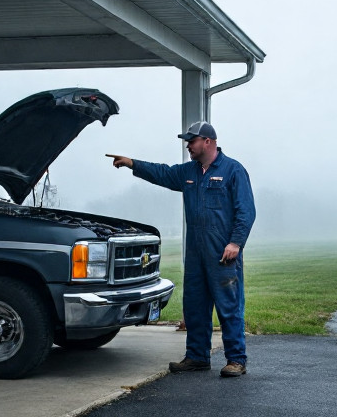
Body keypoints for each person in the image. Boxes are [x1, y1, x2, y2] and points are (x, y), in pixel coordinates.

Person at [106, 121, 256, 377]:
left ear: (207, 141)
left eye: (192, 140)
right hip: (196, 252)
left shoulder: (233, 170)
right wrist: (133, 163)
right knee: (195, 305)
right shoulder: (190, 171)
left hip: (222, 252)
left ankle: (236, 360)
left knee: (229, 306)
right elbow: (162, 173)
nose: (188, 145)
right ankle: (197, 356)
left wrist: (235, 242)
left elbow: (246, 210)